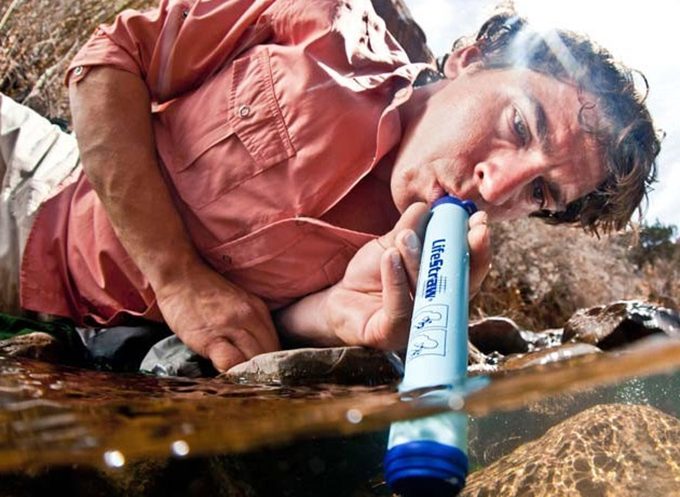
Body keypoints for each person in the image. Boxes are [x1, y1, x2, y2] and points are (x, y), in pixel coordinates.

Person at [0, 0, 659, 373]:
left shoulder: (411, 259)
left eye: (541, 193)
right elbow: (108, 62)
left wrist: (344, 317)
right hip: (38, 190)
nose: (500, 182)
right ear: (470, 58)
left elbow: (274, 321)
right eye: (521, 122)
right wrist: (175, 275)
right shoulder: (321, 23)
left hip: (80, 330)